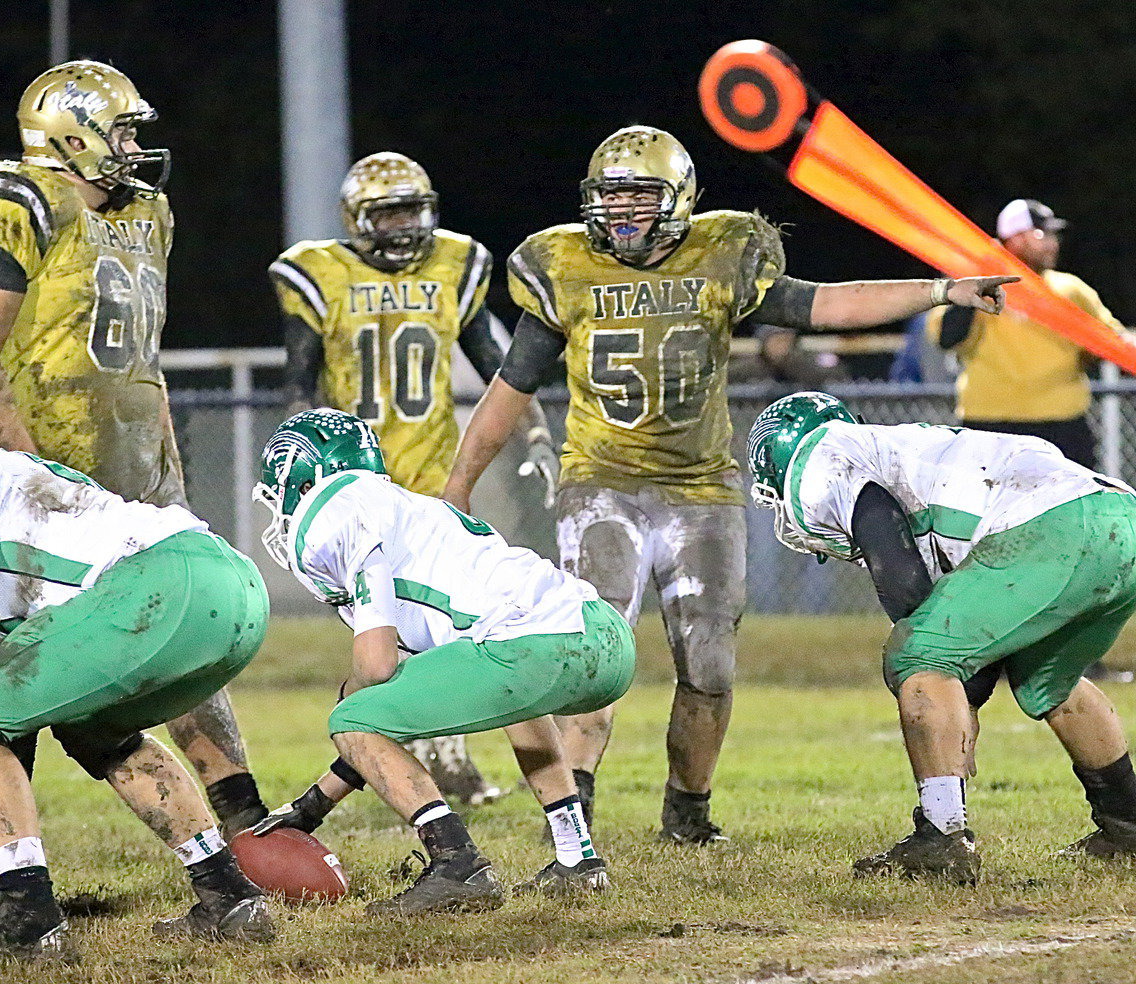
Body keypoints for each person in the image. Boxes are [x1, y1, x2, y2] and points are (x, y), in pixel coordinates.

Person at [441, 124, 1017, 844]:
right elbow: (509, 387)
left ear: (677, 198)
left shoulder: (721, 256)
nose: (621, 214)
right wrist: (459, 483)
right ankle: (573, 818)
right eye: (610, 198)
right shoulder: (566, 268)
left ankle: (688, 810)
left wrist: (940, 290)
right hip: (602, 484)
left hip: (699, 490)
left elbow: (829, 304)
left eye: (639, 197)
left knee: (709, 664)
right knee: (587, 652)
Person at [0, 60, 269, 862]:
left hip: (129, 465)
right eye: (121, 131)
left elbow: (144, 360)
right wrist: (30, 471)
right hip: (44, 481)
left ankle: (246, 825)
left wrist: (169, 476)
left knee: (180, 659)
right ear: (71, 133)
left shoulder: (145, 212)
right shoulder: (19, 201)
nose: (132, 148)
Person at [250, 409, 635, 914]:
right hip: (602, 634)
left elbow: (378, 667)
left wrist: (353, 694)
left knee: (350, 715)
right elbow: (401, 714)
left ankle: (457, 864)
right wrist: (314, 804)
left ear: (300, 480)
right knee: (513, 701)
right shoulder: (410, 508)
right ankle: (577, 858)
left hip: (532, 649)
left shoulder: (337, 512)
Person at [747, 392, 1136, 884]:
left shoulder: (823, 456)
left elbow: (904, 581)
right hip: (1117, 518)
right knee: (1046, 679)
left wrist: (949, 686)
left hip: (1050, 525)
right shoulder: (894, 452)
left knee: (916, 650)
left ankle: (942, 838)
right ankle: (1126, 826)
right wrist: (964, 691)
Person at [270, 151, 559, 805]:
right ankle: (401, 761)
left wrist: (536, 430)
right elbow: (299, 387)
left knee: (446, 631)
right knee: (385, 641)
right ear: (356, 219)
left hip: (427, 480)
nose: (402, 227)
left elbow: (500, 367)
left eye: (410, 211)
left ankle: (440, 762)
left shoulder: (452, 265)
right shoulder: (319, 273)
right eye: (387, 212)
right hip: (352, 484)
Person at [0, 425, 273, 961]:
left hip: (158, 589)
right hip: (231, 587)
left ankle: (28, 920)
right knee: (94, 728)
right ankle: (228, 895)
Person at [929, 199, 1127, 469]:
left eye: (1053, 234)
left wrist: (1094, 352)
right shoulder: (976, 283)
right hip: (991, 425)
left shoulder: (1069, 289)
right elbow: (947, 338)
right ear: (1015, 239)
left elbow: (1111, 340)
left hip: (1061, 422)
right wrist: (979, 276)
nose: (1052, 243)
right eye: (1041, 234)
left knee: (1073, 508)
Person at [728, 323, 849, 389]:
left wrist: (792, 364)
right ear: (764, 343)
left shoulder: (807, 361)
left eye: (785, 339)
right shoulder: (752, 366)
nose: (780, 346)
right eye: (775, 340)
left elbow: (837, 373)